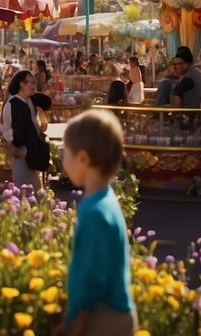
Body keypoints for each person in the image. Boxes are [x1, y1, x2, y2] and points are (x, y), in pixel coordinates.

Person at [54, 110, 136, 336]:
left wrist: (76, 326)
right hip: (112, 313)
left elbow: (90, 279)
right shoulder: (105, 200)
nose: (63, 159)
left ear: (82, 158)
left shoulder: (94, 211)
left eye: (65, 152)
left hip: (102, 317)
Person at [1, 70, 50, 188]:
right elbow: (9, 128)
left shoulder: (30, 101)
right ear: (21, 84)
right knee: (23, 190)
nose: (34, 86)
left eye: (35, 83)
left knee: (36, 190)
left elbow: (47, 102)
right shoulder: (13, 103)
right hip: (21, 152)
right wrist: (15, 145)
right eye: (30, 83)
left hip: (32, 152)